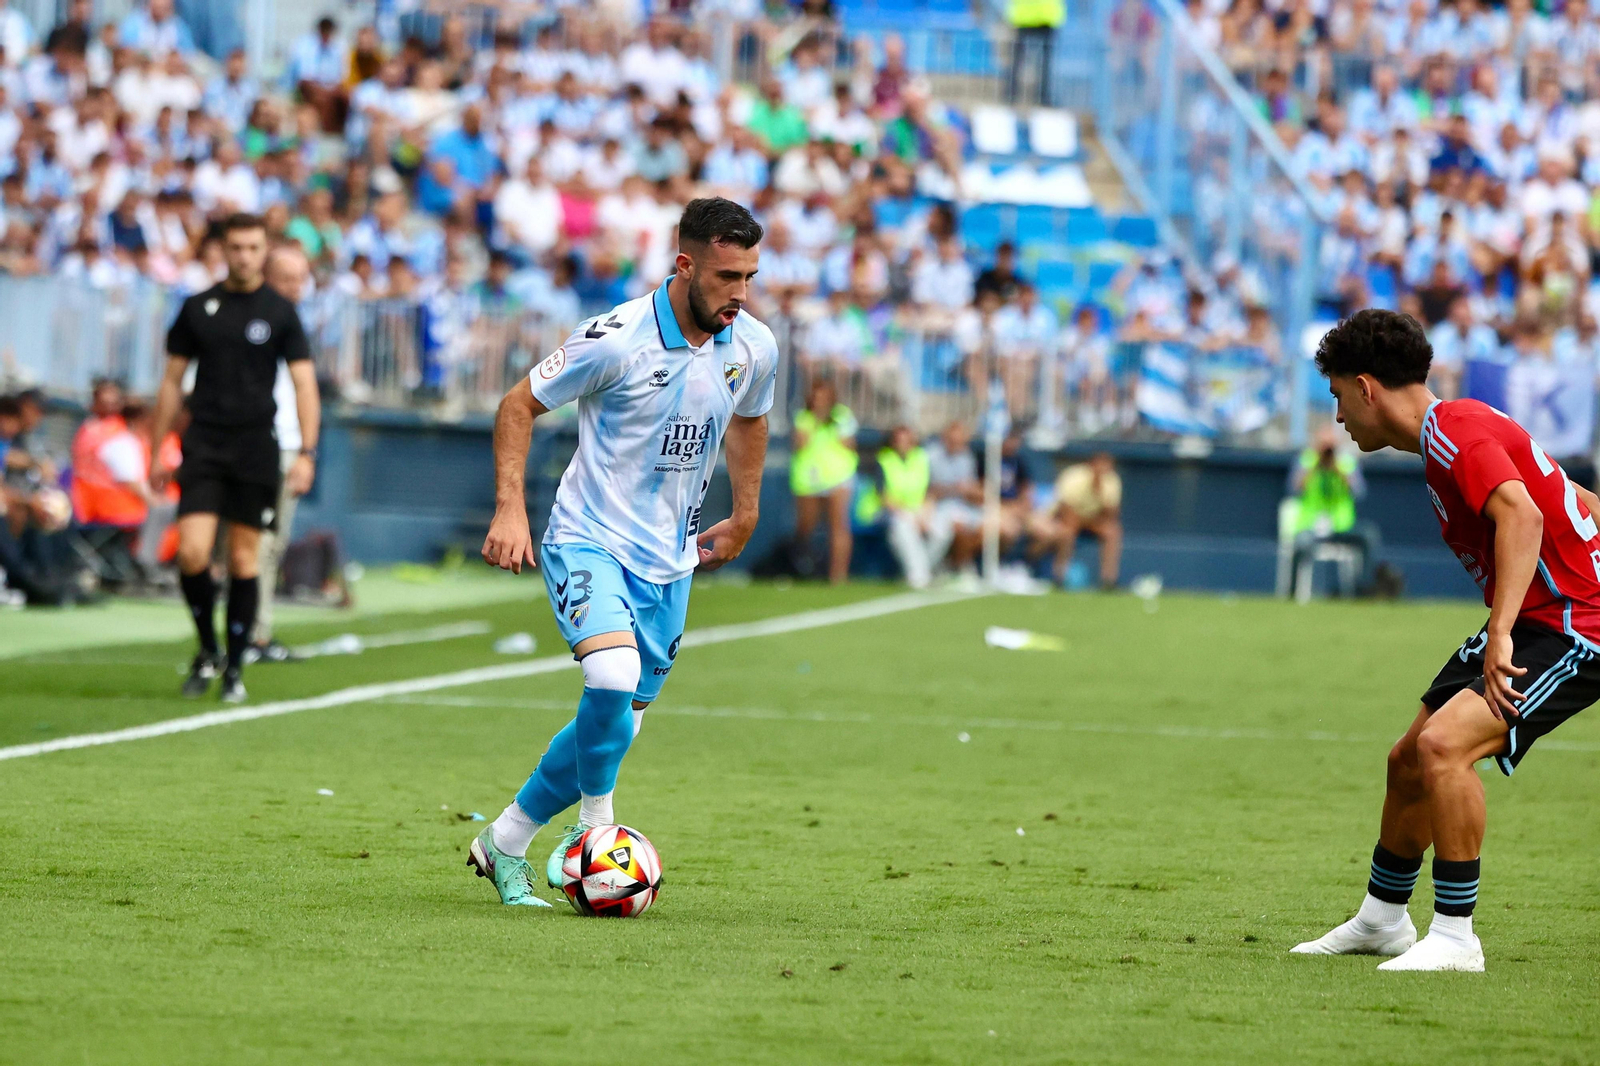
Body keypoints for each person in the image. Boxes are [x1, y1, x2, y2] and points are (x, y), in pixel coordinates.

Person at [473, 198, 777, 908]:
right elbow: (519, 405)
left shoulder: (754, 345)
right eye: (728, 276)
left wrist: (747, 513)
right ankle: (595, 834)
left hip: (668, 562)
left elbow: (753, 421)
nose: (740, 293)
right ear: (684, 264)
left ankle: (505, 841)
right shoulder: (615, 338)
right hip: (588, 539)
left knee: (614, 723)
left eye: (750, 277)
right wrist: (510, 508)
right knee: (610, 674)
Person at [1292, 309, 1600, 972]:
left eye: (1339, 395)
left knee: (1443, 748)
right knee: (1408, 761)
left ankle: (1456, 938)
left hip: (1574, 625)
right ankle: (1382, 920)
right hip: (1538, 616)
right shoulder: (1455, 429)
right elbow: (1563, 492)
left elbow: (1522, 512)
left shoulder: (1454, 432)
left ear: (1368, 389)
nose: (1339, 416)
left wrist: (1499, 633)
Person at [148, 214, 319, 704]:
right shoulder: (197, 308)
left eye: (252, 247)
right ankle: (208, 649)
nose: (244, 256)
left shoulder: (280, 312)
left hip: (254, 447)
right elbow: (170, 381)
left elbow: (305, 385)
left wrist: (306, 452)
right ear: (222, 250)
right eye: (236, 247)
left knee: (244, 558)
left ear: (264, 251)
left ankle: (236, 668)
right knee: (193, 553)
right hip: (203, 442)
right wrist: (157, 448)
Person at [246, 242, 317, 663]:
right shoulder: (254, 322)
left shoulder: (294, 325)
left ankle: (256, 630)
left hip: (289, 445)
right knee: (252, 544)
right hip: (258, 444)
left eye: (300, 278)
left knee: (272, 545)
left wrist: (307, 450)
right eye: (286, 277)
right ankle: (249, 632)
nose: (295, 287)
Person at [791, 378, 858, 584]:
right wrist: (818, 421)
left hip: (838, 477)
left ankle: (838, 576)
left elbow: (849, 444)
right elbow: (800, 444)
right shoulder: (803, 418)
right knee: (806, 526)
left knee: (839, 525)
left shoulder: (842, 417)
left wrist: (830, 424)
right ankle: (801, 567)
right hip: (809, 480)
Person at [1034, 452, 1123, 588]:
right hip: (1063, 519)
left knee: (1113, 532)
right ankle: (1059, 578)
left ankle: (1108, 581)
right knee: (1067, 532)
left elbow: (1111, 515)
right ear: (1092, 463)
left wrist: (1100, 492)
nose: (1103, 469)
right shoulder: (1074, 476)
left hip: (1091, 522)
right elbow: (1066, 512)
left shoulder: (1111, 480)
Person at [877, 425, 939, 589]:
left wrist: (925, 513)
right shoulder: (884, 460)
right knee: (904, 528)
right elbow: (884, 497)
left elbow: (929, 491)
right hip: (892, 512)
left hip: (920, 510)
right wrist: (909, 514)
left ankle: (925, 570)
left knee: (941, 531)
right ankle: (918, 576)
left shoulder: (921, 458)